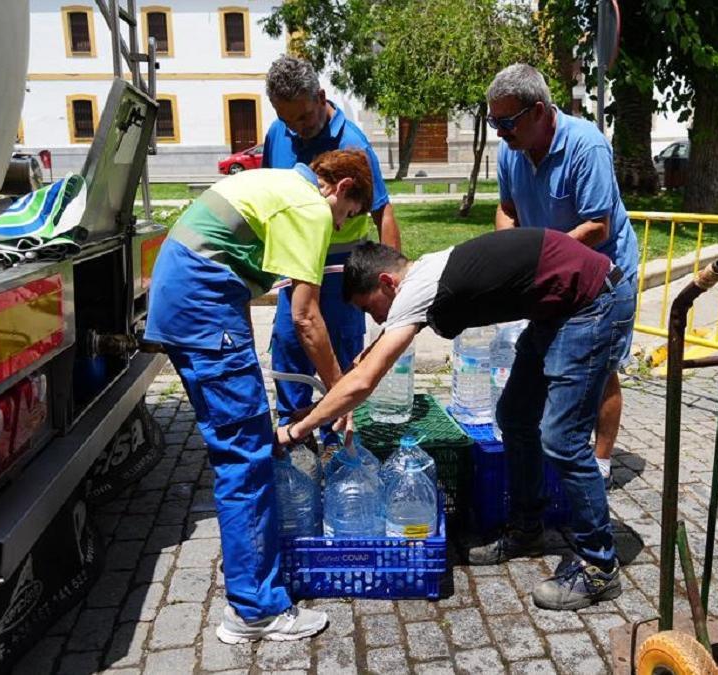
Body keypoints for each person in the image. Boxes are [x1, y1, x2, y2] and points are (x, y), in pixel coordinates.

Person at [278, 229, 633, 610]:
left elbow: (365, 380)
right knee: (514, 417)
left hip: (593, 303)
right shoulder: (421, 275)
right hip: (558, 308)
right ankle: (527, 528)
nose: (375, 317)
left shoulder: (416, 290)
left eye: (370, 307)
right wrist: (321, 406)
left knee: (562, 440)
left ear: (387, 282)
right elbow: (364, 364)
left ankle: (599, 566)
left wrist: (297, 430)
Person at [144, 149, 374, 642]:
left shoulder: (281, 186)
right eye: (348, 214)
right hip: (202, 309)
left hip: (192, 302)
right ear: (342, 189)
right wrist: (342, 393)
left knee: (242, 443)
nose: (340, 225)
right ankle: (254, 610)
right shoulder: (311, 208)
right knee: (245, 456)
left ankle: (248, 571)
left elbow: (230, 262)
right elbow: (306, 318)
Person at [487, 63, 639, 489]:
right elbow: (507, 209)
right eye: (493, 122)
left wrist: (538, 259)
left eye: (506, 122)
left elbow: (597, 227)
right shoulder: (511, 151)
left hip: (603, 281)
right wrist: (510, 251)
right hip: (550, 276)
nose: (500, 132)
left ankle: (601, 461)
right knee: (541, 374)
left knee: (601, 369)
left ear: (538, 111)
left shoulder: (586, 146)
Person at [263, 55, 401, 444]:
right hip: (295, 269)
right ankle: (292, 443)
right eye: (287, 119)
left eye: (304, 117)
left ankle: (335, 446)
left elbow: (382, 209)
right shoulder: (277, 133)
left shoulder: (352, 143)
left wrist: (393, 285)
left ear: (321, 97)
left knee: (339, 363)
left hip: (341, 278)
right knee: (291, 351)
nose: (297, 128)